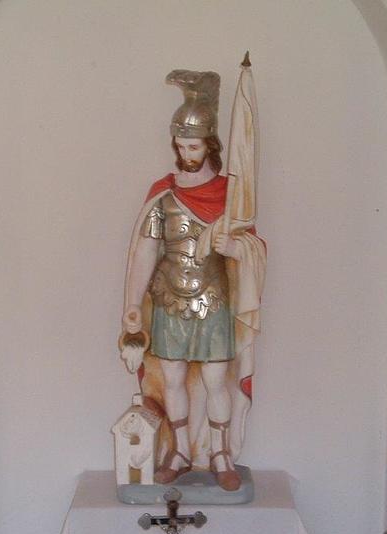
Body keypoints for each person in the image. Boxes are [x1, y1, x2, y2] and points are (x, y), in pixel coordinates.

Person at [120, 69, 266, 492]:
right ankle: (181, 451)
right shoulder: (163, 193)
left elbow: (252, 249)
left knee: (216, 380)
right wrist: (132, 306)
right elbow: (145, 250)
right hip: (169, 299)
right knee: (172, 379)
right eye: (181, 146)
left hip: (214, 300)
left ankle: (220, 454)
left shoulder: (230, 197)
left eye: (194, 146)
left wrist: (234, 246)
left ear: (210, 146)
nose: (186, 154)